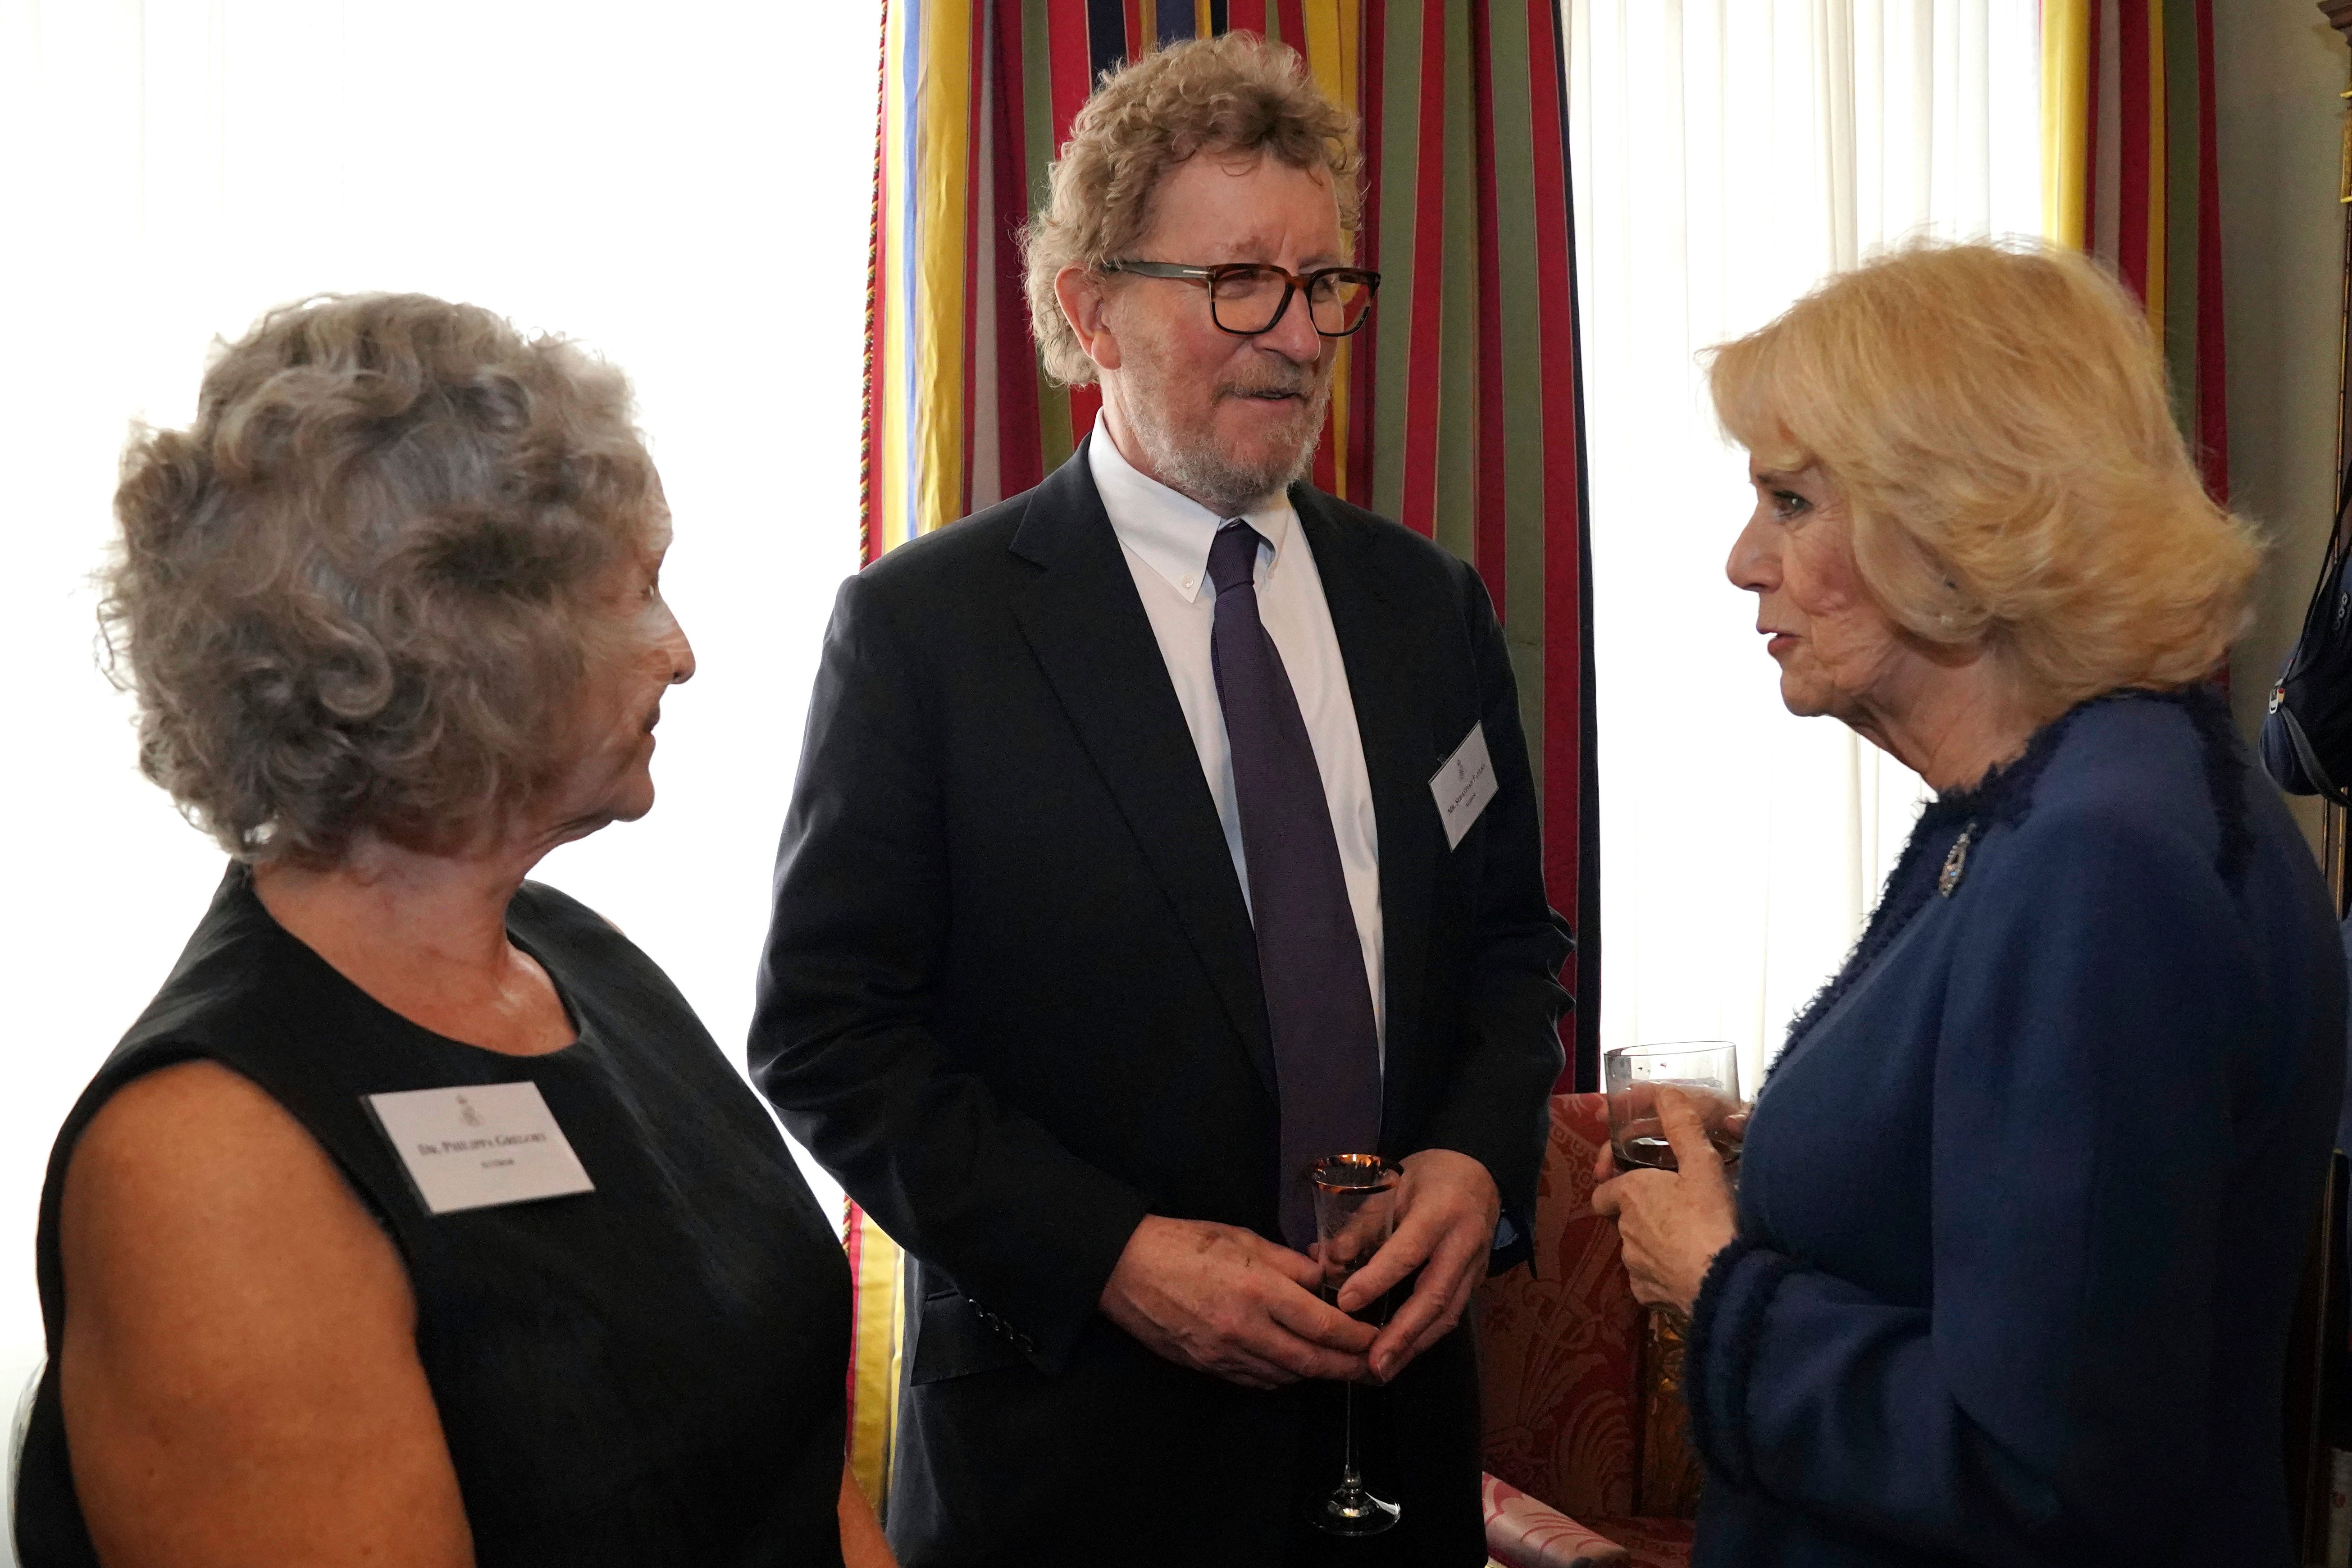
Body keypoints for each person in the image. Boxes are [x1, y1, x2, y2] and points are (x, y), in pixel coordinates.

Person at [750, 32, 1570, 1568]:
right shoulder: (931, 629)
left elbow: (1513, 949)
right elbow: (831, 1035)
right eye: (1239, 283)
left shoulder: (1422, 608)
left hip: (1392, 1437)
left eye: (1325, 283)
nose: (1302, 336)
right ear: (1088, 308)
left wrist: (1474, 1162)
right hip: (1075, 1461)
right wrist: (1113, 1257)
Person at [18, 295, 890, 1568]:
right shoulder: (208, 1155)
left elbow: (795, 1469)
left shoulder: (581, 960)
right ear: (476, 645)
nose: (681, 653)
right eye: (640, 592)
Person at [1591, 241, 2345, 1565]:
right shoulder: (2080, 797)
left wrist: (1715, 1284)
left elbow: (2041, 1478)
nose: (1741, 560)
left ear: (1956, 518)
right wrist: (1795, 1149)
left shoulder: (2096, 859)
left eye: (1789, 501)